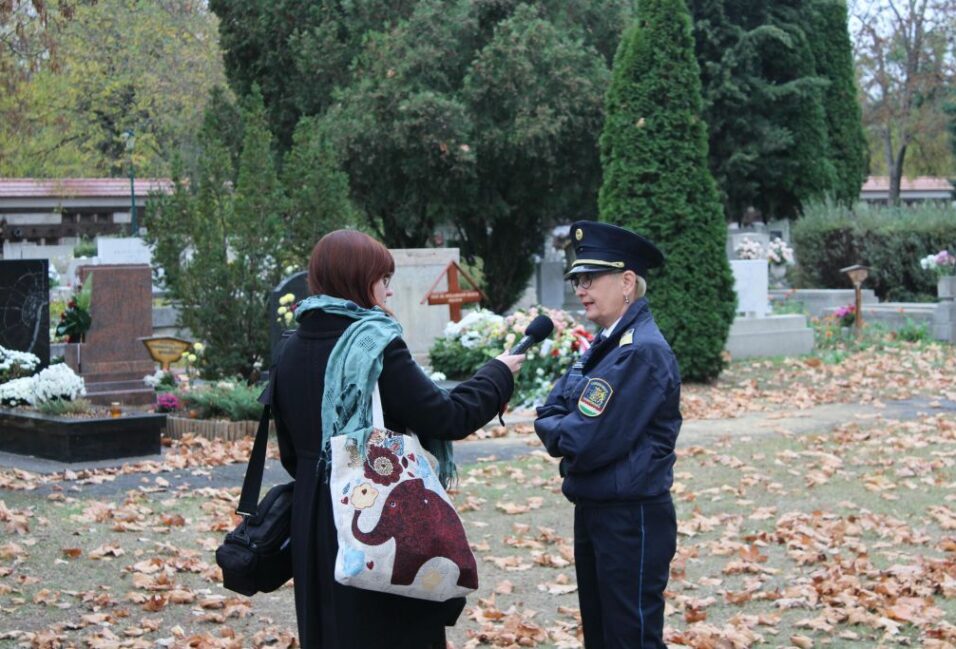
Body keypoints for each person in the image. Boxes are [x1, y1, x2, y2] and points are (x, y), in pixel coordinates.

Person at [271, 229, 524, 649]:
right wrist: (497, 374)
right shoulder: (374, 347)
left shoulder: (291, 347)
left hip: (314, 518)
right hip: (372, 511)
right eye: (382, 278)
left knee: (330, 632)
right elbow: (446, 417)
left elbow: (291, 453)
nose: (388, 290)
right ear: (357, 279)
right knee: (389, 631)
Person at [534, 220, 681, 649]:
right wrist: (563, 427)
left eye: (591, 278)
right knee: (601, 635)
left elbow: (583, 439)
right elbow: (549, 410)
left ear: (628, 282)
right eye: (578, 279)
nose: (581, 288)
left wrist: (562, 430)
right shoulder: (606, 344)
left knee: (629, 637)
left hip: (629, 516)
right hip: (599, 507)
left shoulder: (641, 351)